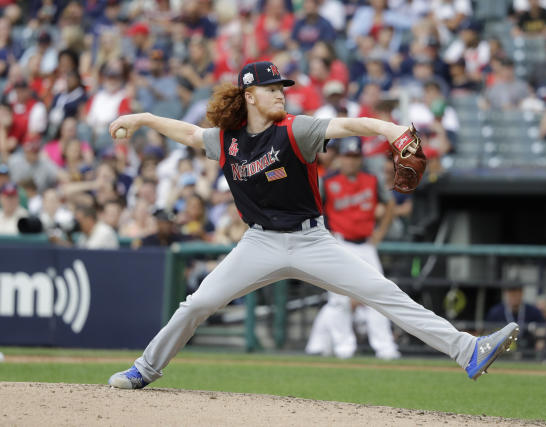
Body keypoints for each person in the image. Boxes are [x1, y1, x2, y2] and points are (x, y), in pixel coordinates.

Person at [107, 61, 519, 389]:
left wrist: (391, 129)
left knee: (384, 292)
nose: (280, 94)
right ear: (249, 95)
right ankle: (145, 369)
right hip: (259, 244)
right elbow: (191, 133)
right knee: (197, 304)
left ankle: (470, 351)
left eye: (282, 87)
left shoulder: (296, 129)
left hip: (312, 241)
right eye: (271, 88)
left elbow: (350, 125)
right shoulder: (228, 139)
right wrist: (142, 117)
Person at [305, 137, 400, 360]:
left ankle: (385, 347)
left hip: (366, 244)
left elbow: (390, 205)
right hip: (340, 242)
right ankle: (343, 347)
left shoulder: (371, 179)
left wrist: (380, 233)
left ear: (361, 158)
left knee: (379, 294)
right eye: (347, 156)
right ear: (340, 158)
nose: (351, 161)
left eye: (355, 156)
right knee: (338, 299)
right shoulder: (328, 180)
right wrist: (324, 235)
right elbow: (313, 208)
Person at [486, 285, 545, 350]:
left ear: (522, 293)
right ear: (506, 294)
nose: (514, 296)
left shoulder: (533, 311)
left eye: (517, 293)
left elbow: (542, 329)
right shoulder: (496, 312)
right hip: (503, 352)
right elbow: (488, 334)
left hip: (528, 351)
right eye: (511, 293)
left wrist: (540, 340)